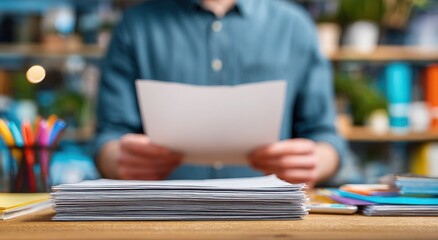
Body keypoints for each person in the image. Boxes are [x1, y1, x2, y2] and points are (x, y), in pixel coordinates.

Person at [94, 0, 346, 188]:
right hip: (161, 218)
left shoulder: (294, 25)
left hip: (269, 219)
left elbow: (325, 137)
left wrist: (314, 161)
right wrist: (120, 160)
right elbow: (108, 137)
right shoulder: (135, 26)